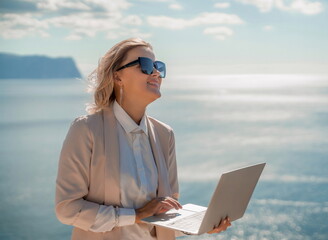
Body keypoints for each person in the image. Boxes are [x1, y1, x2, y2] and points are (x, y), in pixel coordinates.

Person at [55, 38, 231, 240]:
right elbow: (67, 208)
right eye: (146, 66)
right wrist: (136, 215)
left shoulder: (165, 134)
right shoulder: (86, 129)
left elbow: (166, 210)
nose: (155, 73)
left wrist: (202, 224)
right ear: (118, 76)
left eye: (158, 67)